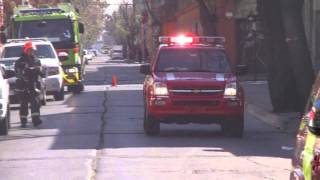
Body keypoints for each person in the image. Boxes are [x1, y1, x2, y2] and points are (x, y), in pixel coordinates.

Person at [15, 41, 44, 127]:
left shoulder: (37, 60)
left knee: (35, 103)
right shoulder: (20, 61)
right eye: (29, 50)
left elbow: (42, 73)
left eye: (32, 50)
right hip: (23, 85)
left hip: (33, 85)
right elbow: (17, 72)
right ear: (25, 50)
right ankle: (23, 121)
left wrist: (40, 70)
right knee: (24, 104)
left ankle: (36, 120)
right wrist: (24, 71)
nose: (31, 52)